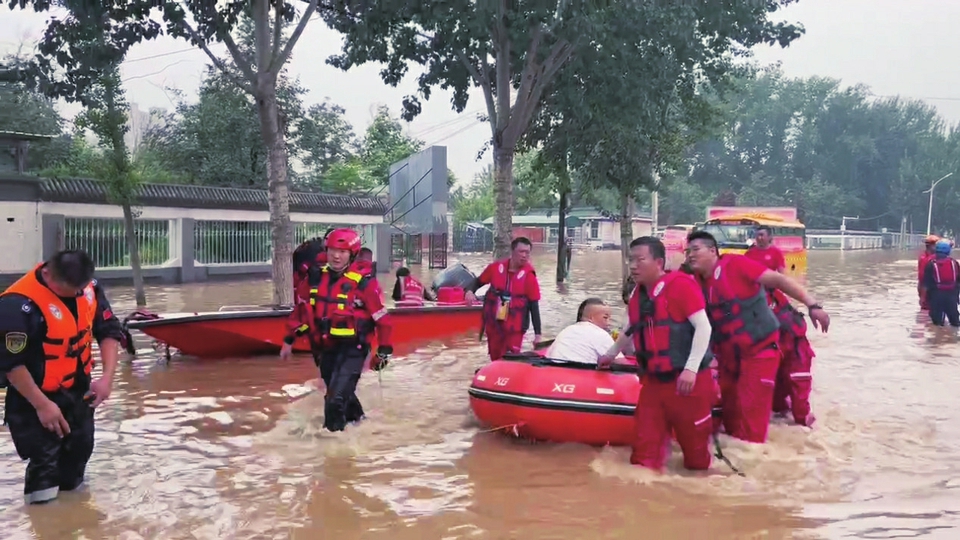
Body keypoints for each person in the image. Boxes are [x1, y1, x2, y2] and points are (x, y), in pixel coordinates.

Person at [0, 250, 123, 504]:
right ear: (47, 274)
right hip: (33, 395)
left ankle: (73, 515)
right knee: (44, 464)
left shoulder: (89, 289)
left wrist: (107, 379)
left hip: (78, 391)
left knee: (79, 453)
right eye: (69, 291)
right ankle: (41, 516)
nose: (75, 296)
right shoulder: (16, 305)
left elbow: (109, 331)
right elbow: (11, 364)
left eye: (79, 290)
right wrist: (42, 405)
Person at [684, 231, 830, 444]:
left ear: (713, 251)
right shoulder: (693, 283)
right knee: (731, 420)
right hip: (728, 358)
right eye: (687, 251)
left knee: (751, 427)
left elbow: (779, 279)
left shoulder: (736, 265)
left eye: (696, 250)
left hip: (758, 352)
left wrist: (813, 305)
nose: (690, 255)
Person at [599, 237, 715, 471]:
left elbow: (704, 327)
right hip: (653, 383)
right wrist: (610, 355)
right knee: (643, 457)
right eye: (630, 260)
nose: (633, 266)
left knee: (696, 459)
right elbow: (630, 329)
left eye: (640, 260)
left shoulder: (681, 285)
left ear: (659, 262)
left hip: (686, 382)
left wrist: (690, 369)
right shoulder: (638, 294)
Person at [280, 228, 394, 432]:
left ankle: (331, 445)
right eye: (332, 250)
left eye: (342, 252)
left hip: (354, 349)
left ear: (352, 254)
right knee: (342, 395)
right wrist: (289, 340)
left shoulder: (364, 285)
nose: (336, 256)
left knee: (334, 400)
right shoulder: (315, 278)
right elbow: (302, 310)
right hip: (325, 349)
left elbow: (382, 320)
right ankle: (361, 425)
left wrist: (383, 352)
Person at [465, 237, 543, 359]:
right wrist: (469, 291)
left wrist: (538, 334)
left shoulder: (529, 277)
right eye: (521, 252)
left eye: (527, 252)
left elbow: (534, 306)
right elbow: (477, 282)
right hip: (494, 326)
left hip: (514, 329)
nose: (524, 256)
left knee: (511, 360)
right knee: (495, 358)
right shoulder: (495, 268)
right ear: (512, 251)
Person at [545, 298, 622, 363]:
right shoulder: (600, 334)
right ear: (591, 318)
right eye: (605, 318)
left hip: (552, 369)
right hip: (581, 372)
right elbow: (621, 362)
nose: (608, 323)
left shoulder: (567, 330)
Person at [923, 239, 960, 327]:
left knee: (937, 324)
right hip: (951, 296)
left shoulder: (931, 264)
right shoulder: (954, 263)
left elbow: (925, 285)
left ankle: (938, 334)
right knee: (955, 323)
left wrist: (923, 299)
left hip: (936, 296)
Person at [918, 235, 940, 310]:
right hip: (929, 289)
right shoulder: (931, 258)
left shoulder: (923, 257)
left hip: (927, 288)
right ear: (931, 246)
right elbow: (922, 277)